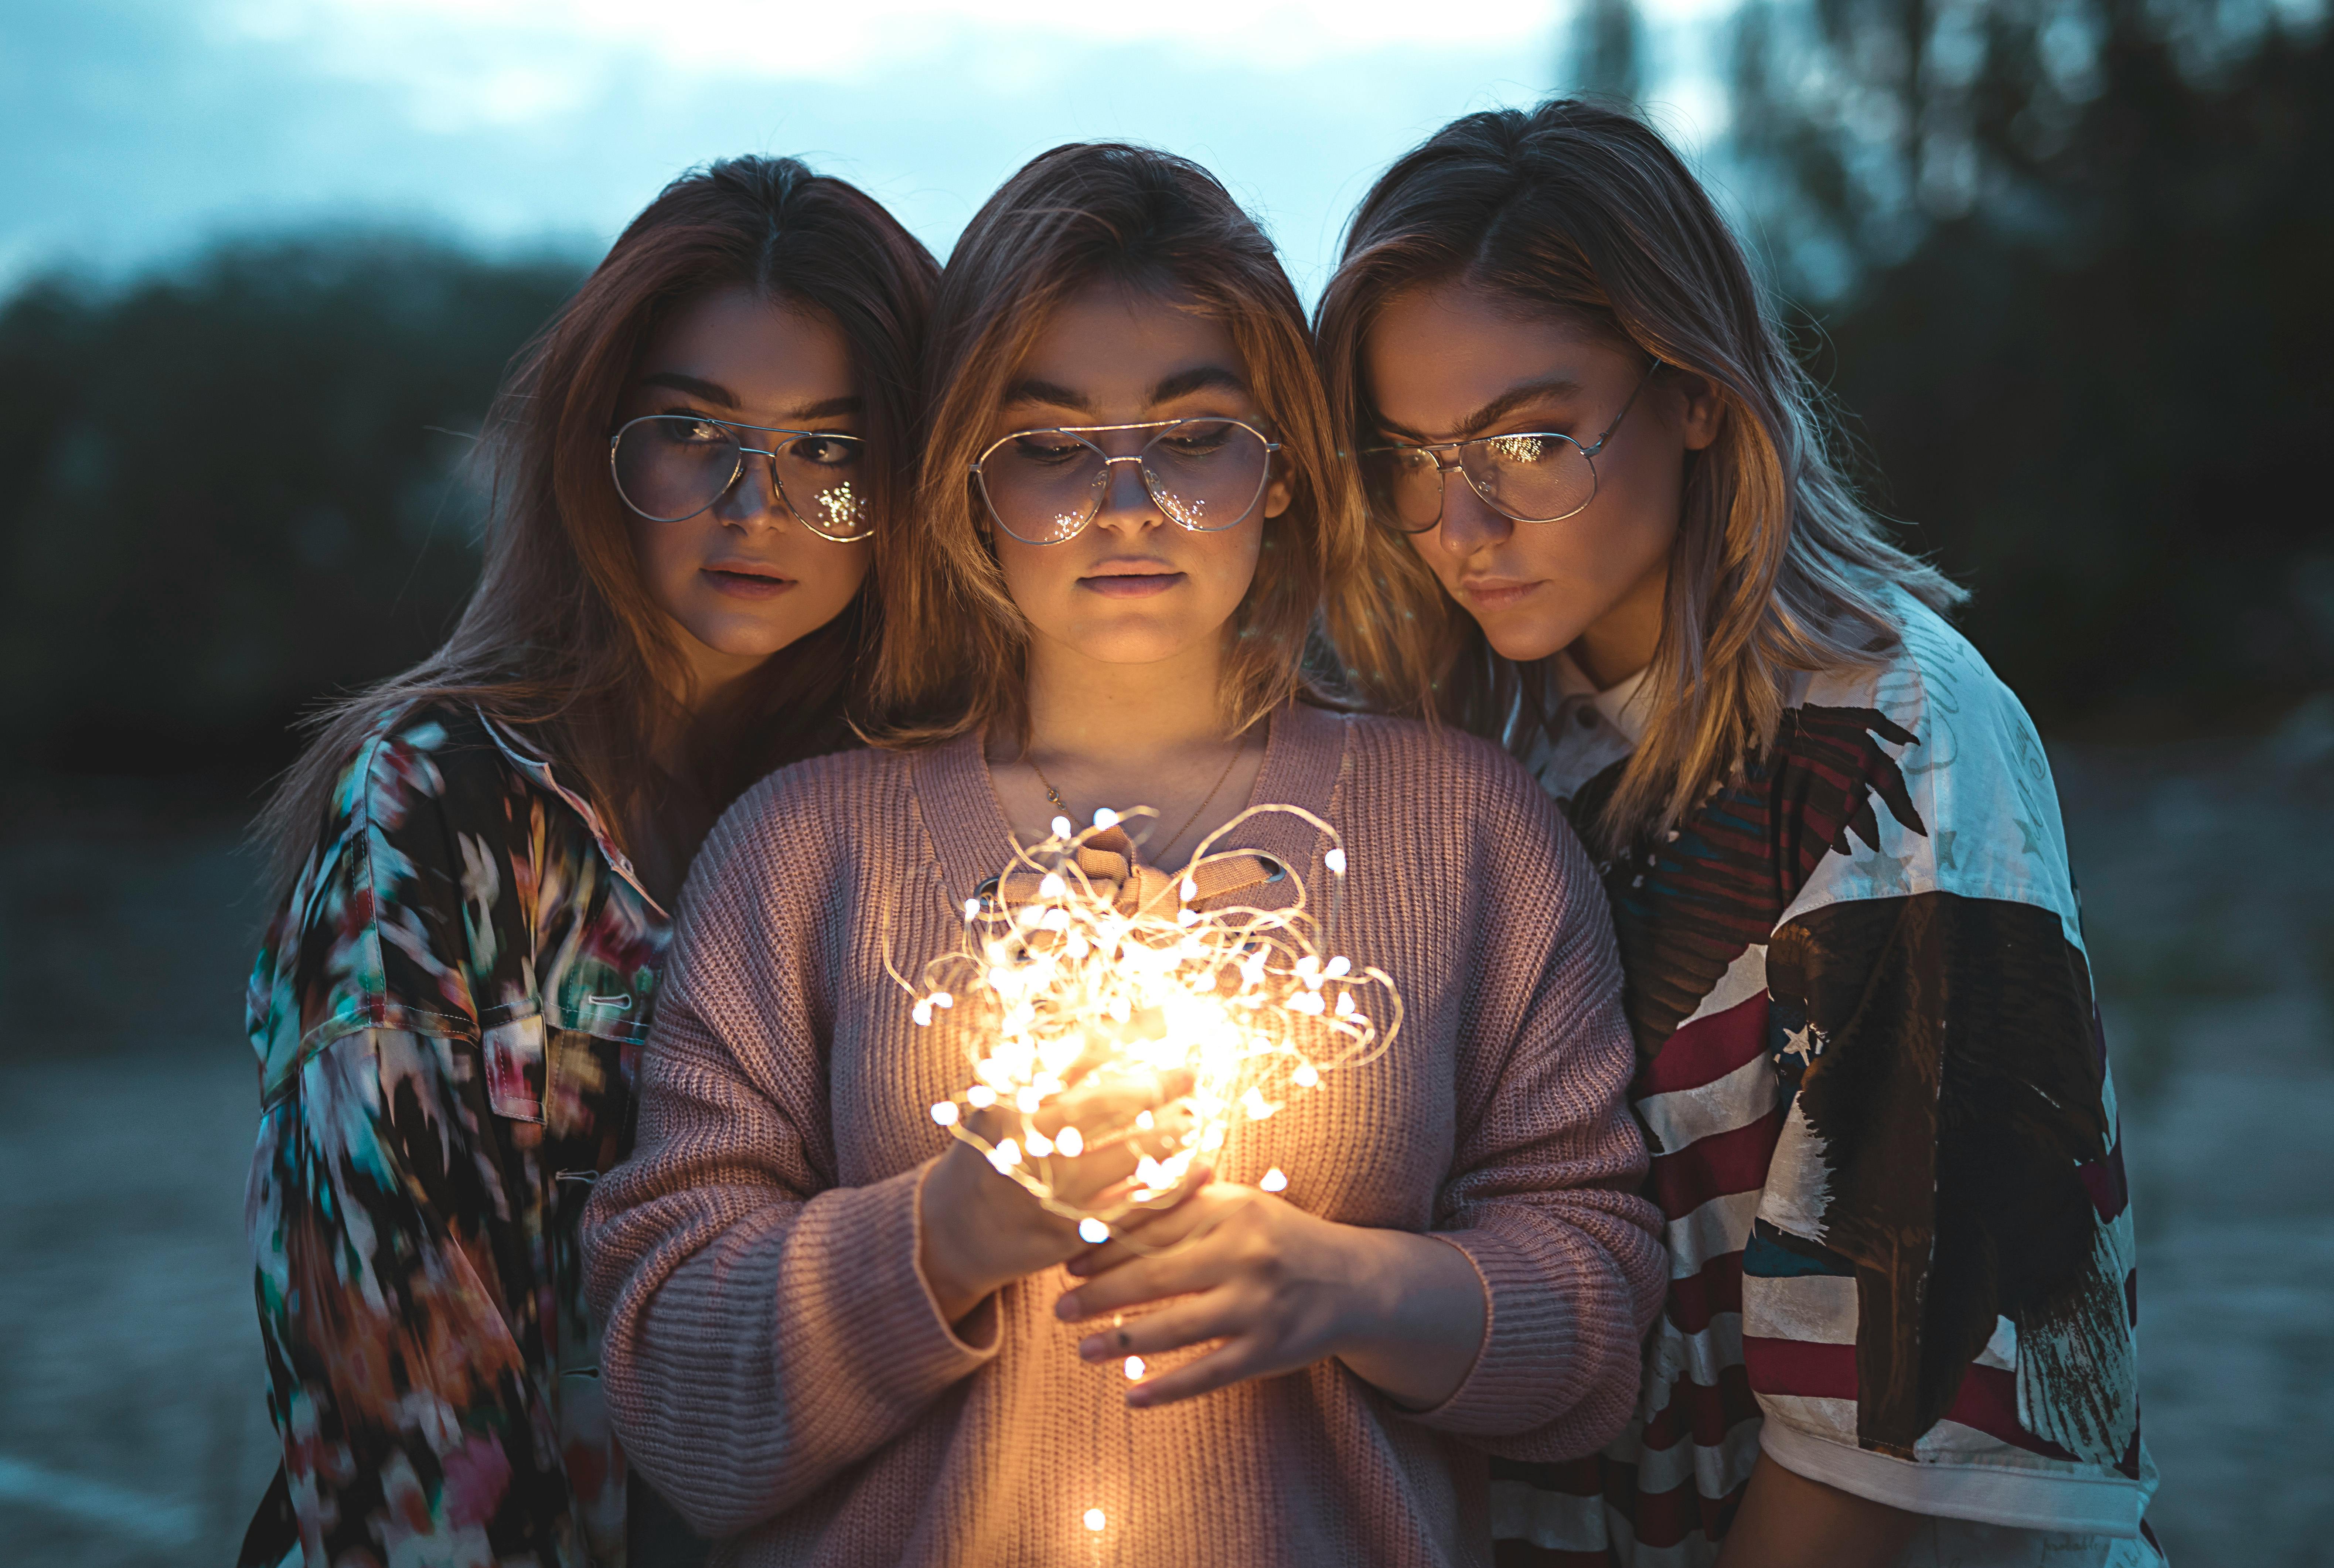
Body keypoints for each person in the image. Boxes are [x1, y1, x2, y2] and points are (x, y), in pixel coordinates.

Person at [580, 142, 1667, 1567]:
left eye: (1194, 432)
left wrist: (1343, 1287)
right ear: (968, 479)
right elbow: (666, 1387)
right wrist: (949, 1231)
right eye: (1048, 447)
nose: (1129, 503)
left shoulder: (1469, 834)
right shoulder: (804, 853)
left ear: (1282, 468)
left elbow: (1600, 1332)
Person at [1316, 100, 2160, 1568]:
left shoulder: (1890, 731)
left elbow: (1897, 1415)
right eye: (1408, 451)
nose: (1458, 524)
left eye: (1528, 438)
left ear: (1695, 390)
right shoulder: (1478, 746)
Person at [236, 156, 937, 1568]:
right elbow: (392, 1370)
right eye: (696, 430)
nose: (759, 500)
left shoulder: (907, 812)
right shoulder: (439, 800)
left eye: (832, 450)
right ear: (596, 445)